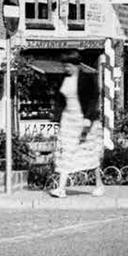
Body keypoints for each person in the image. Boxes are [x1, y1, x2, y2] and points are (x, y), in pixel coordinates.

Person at [48, 53, 103, 199]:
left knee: (89, 152)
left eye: (69, 66)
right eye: (65, 66)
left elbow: (93, 99)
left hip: (83, 119)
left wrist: (88, 118)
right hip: (68, 119)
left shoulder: (87, 79)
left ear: (77, 65)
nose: (67, 69)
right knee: (66, 151)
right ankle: (61, 188)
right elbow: (60, 100)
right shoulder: (63, 79)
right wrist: (57, 116)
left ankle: (99, 184)